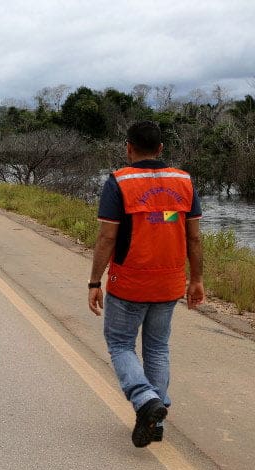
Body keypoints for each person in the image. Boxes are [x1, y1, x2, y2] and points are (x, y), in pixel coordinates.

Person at [88, 120, 205, 448]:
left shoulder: (119, 182)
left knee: (121, 344)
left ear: (128, 148)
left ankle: (144, 400)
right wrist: (196, 279)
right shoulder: (184, 182)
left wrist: (94, 281)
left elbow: (107, 236)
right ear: (161, 149)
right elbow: (193, 237)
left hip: (129, 283)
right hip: (169, 284)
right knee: (157, 346)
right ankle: (156, 414)